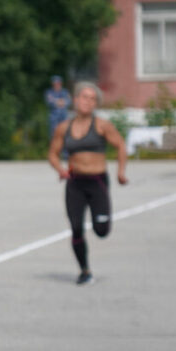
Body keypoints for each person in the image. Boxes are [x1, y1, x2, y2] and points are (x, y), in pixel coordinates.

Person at [48, 81, 128, 285]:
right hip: (75, 183)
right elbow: (53, 154)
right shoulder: (63, 128)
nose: (88, 101)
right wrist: (60, 170)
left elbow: (120, 146)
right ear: (75, 100)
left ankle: (101, 224)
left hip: (97, 182)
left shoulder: (102, 125)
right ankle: (84, 271)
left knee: (101, 230)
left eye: (93, 99)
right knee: (76, 228)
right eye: (84, 97)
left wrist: (120, 172)